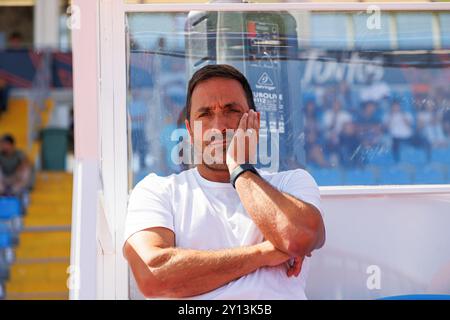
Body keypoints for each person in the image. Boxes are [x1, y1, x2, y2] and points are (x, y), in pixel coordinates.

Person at [123, 64, 325, 299]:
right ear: (190, 129)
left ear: (254, 121)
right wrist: (264, 253)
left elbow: (300, 237)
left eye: (231, 110)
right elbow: (154, 276)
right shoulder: (158, 191)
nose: (219, 126)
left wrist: (240, 169)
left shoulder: (291, 183)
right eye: (205, 114)